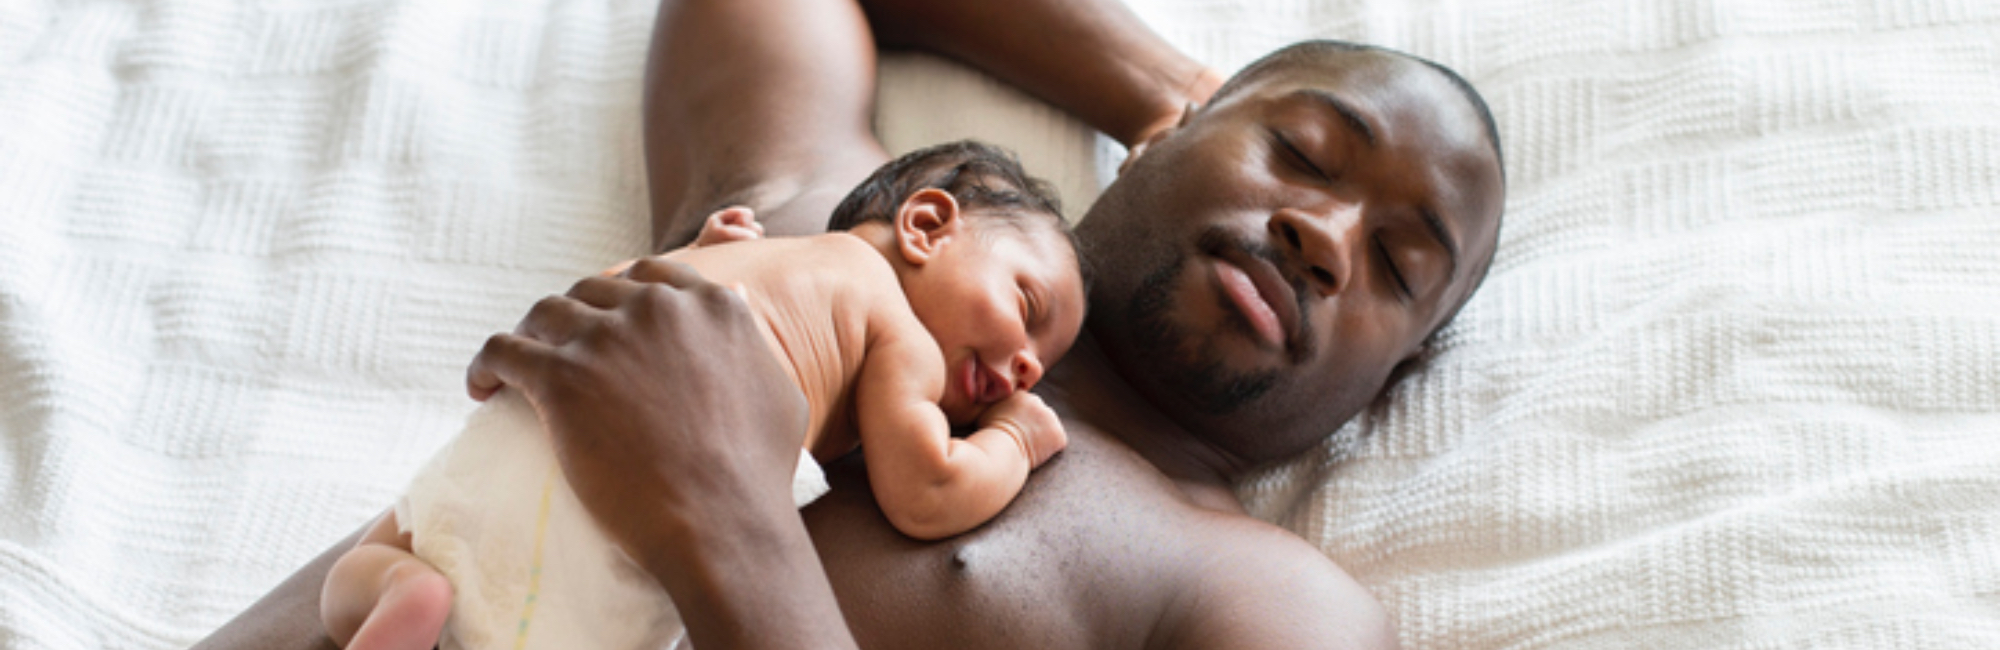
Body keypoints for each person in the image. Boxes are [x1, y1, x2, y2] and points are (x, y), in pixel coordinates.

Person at [195, 0, 1505, 648]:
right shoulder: (818, 230)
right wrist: (1172, 86)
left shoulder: (1260, 596)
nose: (1323, 237)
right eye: (1301, 149)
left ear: (1389, 385)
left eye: (1395, 265)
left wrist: (722, 518)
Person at [318, 141, 1088, 650]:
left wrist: (693, 252)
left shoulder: (749, 254)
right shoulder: (901, 333)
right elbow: (926, 491)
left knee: (373, 565)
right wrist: (1012, 440)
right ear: (924, 224)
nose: (1023, 369)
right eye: (1027, 310)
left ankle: (399, 592)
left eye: (1034, 374)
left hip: (516, 431)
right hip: (610, 512)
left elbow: (621, 288)